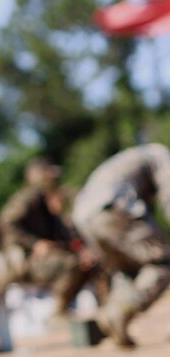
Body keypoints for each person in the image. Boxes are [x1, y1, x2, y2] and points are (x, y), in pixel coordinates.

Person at [72, 143, 170, 347]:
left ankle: (112, 316)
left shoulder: (131, 158)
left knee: (128, 270)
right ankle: (119, 311)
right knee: (163, 263)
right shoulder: (160, 154)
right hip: (114, 207)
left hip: (85, 217)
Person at [0, 157, 97, 317]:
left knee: (87, 263)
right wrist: (34, 243)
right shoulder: (29, 197)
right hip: (27, 260)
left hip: (47, 256)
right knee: (71, 264)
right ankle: (58, 311)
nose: (55, 180)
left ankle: (71, 309)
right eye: (50, 175)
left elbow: (63, 234)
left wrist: (81, 250)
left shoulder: (45, 200)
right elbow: (6, 222)